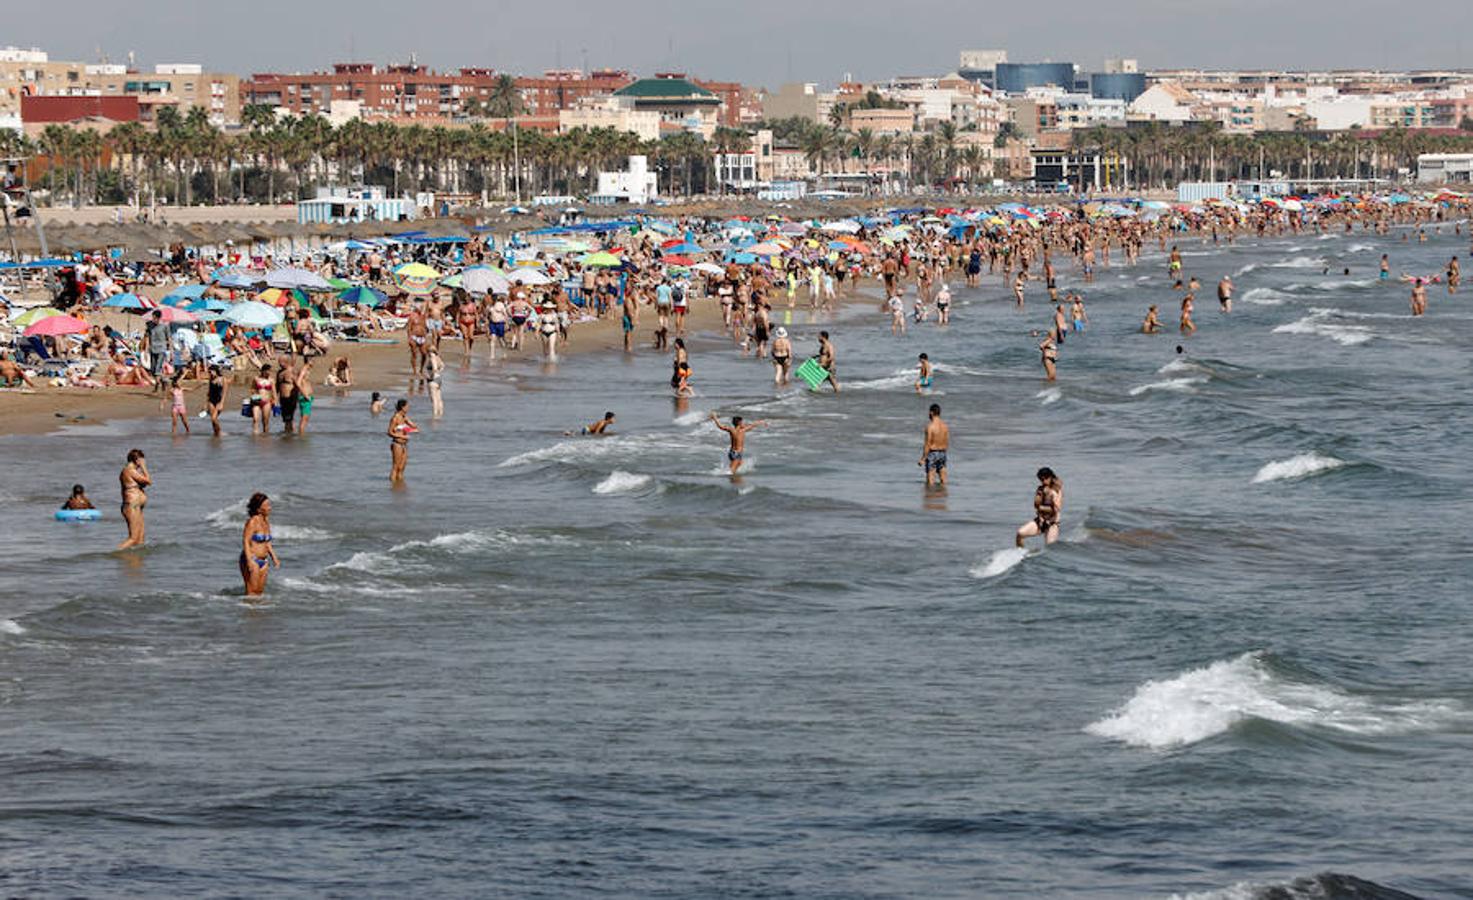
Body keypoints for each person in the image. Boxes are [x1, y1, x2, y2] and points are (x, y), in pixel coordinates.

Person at [239, 492, 280, 597]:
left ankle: (259, 613)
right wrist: (249, 561)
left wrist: (274, 557)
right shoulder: (252, 522)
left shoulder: (266, 522)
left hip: (264, 561)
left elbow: (267, 542)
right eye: (266, 505)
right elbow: (246, 541)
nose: (270, 508)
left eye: (269, 505)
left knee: (259, 593)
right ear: (259, 509)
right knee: (251, 593)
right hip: (252, 559)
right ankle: (249, 612)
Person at [1015, 467, 1063, 548]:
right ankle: (1020, 553)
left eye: (1045, 478)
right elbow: (1036, 505)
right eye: (1041, 479)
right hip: (1040, 521)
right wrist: (1040, 497)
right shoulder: (1040, 489)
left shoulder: (1057, 490)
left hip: (1052, 524)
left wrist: (1052, 497)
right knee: (1020, 533)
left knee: (1049, 548)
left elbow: (1056, 509)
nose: (1043, 481)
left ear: (1051, 477)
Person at [117, 448, 150, 550]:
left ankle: (135, 563)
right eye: (142, 460)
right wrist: (144, 468)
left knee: (140, 539)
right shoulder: (129, 470)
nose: (143, 462)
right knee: (133, 538)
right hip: (131, 506)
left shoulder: (133, 471)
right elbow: (148, 481)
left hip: (137, 507)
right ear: (137, 460)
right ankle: (115, 552)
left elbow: (143, 484)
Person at [919, 403, 949, 487]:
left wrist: (923, 458)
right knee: (944, 480)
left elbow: (927, 443)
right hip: (943, 453)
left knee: (930, 481)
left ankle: (931, 497)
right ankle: (943, 497)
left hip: (933, 453)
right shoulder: (945, 426)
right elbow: (946, 441)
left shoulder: (930, 427)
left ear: (931, 413)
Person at [387, 399, 417, 482]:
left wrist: (408, 425)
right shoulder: (395, 418)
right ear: (402, 407)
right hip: (397, 444)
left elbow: (415, 427)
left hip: (404, 445)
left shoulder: (404, 417)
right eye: (407, 406)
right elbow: (389, 432)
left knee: (402, 468)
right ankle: (392, 486)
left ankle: (400, 486)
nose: (408, 408)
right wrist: (401, 436)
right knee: (395, 466)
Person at [251, 364, 274, 436]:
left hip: (267, 402)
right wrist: (253, 396)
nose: (269, 372)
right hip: (257, 401)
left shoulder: (271, 380)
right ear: (263, 371)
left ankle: (265, 436)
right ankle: (255, 435)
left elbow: (274, 391)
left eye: (270, 371)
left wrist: (275, 401)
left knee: (265, 421)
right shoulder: (256, 379)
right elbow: (252, 389)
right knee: (255, 419)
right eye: (267, 371)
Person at [206, 365, 227, 437]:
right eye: (209, 372)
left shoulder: (223, 379)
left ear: (216, 371)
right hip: (211, 400)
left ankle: (219, 432)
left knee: (214, 418)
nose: (210, 373)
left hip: (219, 401)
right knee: (213, 420)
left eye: (211, 372)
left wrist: (222, 403)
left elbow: (224, 392)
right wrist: (205, 404)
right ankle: (216, 433)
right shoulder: (211, 379)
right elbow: (209, 392)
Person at [295, 359, 315, 433]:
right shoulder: (303, 371)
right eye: (313, 360)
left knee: (305, 418)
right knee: (304, 418)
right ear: (309, 361)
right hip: (304, 397)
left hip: (306, 397)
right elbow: (298, 383)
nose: (314, 362)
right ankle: (301, 435)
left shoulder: (306, 370)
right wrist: (305, 395)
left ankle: (302, 434)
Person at [424, 348, 445, 417]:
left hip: (433, 380)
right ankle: (440, 414)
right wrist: (439, 372)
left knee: (434, 399)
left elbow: (434, 368)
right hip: (439, 379)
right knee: (439, 399)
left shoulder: (432, 358)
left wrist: (431, 376)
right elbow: (443, 366)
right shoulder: (438, 358)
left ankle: (435, 416)